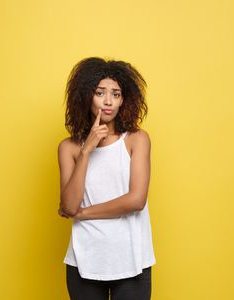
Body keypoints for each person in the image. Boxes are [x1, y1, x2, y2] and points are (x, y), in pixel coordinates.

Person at [57, 57, 156, 300]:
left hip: (132, 259)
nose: (108, 101)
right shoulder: (69, 148)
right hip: (84, 260)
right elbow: (69, 205)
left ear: (125, 99)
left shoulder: (136, 140)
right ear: (85, 96)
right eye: (100, 93)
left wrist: (83, 213)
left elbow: (136, 201)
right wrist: (87, 150)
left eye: (116, 94)